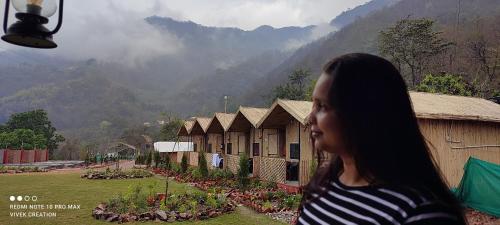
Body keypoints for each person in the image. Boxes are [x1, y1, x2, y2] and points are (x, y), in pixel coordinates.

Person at [297, 53, 466, 225]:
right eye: (313, 104)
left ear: (364, 114)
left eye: (322, 106)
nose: (310, 117)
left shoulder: (423, 213)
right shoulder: (323, 184)